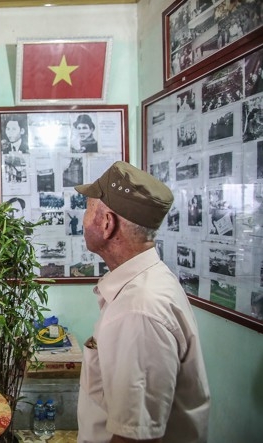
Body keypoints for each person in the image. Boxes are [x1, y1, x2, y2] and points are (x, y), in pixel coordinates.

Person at [74, 161, 210, 442]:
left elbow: (136, 437)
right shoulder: (144, 286)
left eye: (88, 209)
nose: (83, 220)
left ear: (107, 223)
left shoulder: (139, 310)